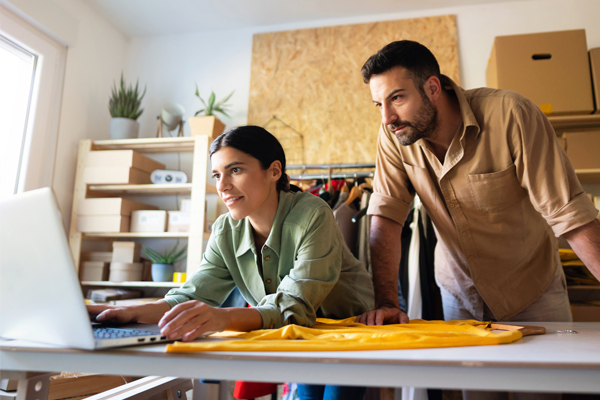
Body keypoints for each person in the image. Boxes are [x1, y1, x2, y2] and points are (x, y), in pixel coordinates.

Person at [355, 40, 600, 400]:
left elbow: (569, 214)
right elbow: (387, 215)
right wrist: (388, 302)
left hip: (531, 287)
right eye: (379, 104)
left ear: (433, 88)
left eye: (397, 98)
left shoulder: (511, 115)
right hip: (460, 296)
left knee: (541, 395)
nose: (387, 117)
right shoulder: (395, 136)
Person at [88, 125, 373, 400]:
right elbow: (192, 294)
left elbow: (295, 304)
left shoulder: (313, 214)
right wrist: (128, 312)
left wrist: (222, 317)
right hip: (303, 333)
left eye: (235, 170)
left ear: (274, 171)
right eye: (216, 174)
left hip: (348, 329)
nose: (222, 186)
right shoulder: (226, 230)